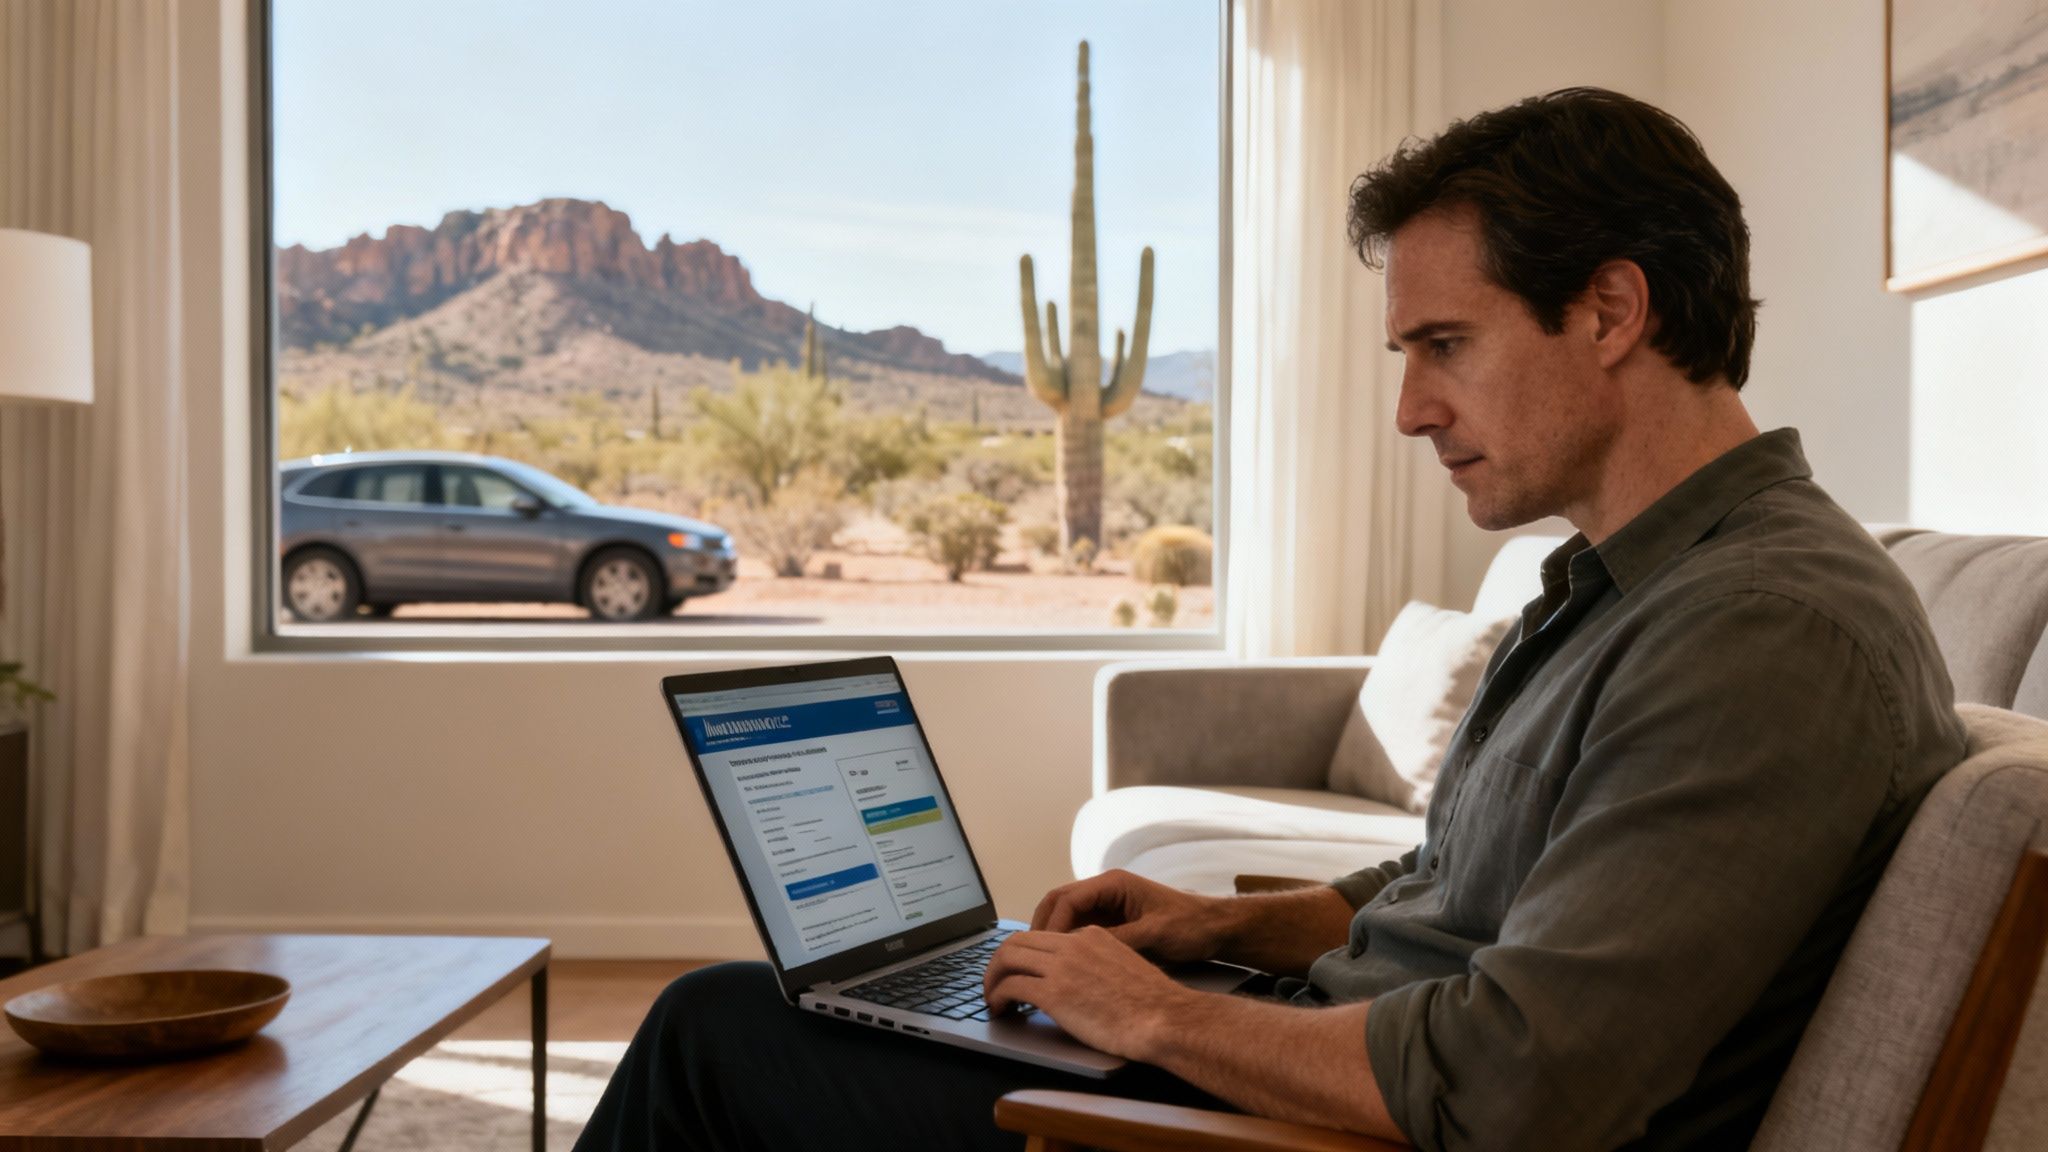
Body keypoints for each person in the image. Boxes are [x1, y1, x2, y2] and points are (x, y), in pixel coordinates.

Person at [573, 88, 1967, 1152]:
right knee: (829, 1010)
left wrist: (1159, 1017)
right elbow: (1467, 896)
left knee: (718, 1029)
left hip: (1319, 1134)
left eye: (1444, 346)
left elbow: (1516, 1082)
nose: (1414, 408)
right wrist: (1216, 929)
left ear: (1610, 310)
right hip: (1313, 1062)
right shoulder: (1635, 586)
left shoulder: (1764, 632)